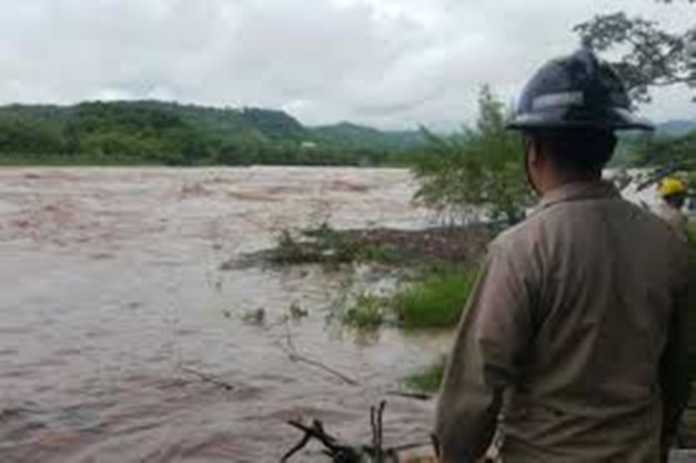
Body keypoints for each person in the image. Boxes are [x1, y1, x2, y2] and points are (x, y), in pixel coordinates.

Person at [434, 48, 692, 462]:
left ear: (533, 152)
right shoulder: (668, 245)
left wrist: (455, 455)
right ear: (608, 146)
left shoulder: (520, 249)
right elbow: (678, 372)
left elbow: (475, 388)